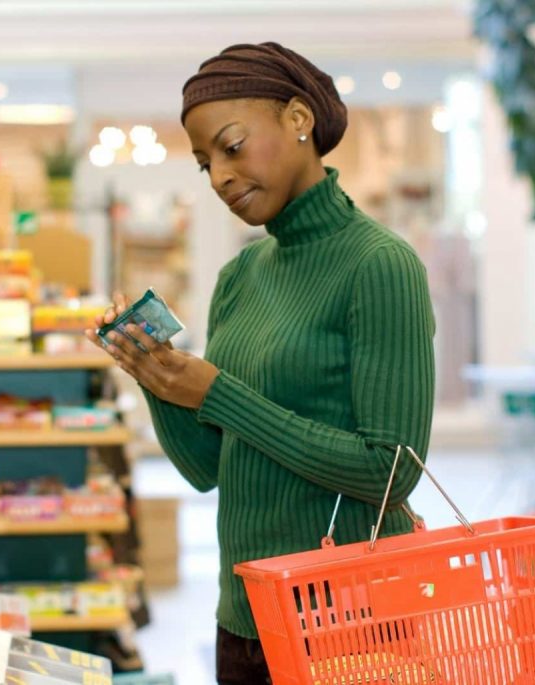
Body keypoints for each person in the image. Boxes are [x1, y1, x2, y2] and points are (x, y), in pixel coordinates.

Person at [85, 42, 435, 685]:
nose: (218, 175)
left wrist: (218, 393)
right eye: (203, 163)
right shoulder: (240, 275)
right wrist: (155, 376)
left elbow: (393, 472)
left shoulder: (380, 265)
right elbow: (208, 470)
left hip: (349, 621)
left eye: (232, 146)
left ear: (299, 119)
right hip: (243, 619)